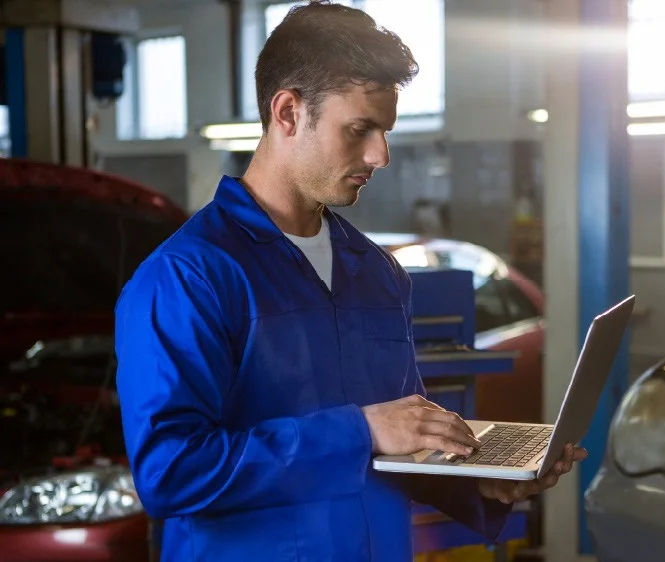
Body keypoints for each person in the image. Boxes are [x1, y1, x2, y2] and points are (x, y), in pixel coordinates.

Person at [113, 2, 585, 561]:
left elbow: (398, 451)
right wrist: (359, 432)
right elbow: (170, 471)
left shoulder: (377, 273)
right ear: (288, 112)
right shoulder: (189, 277)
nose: (380, 155)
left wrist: (481, 481)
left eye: (384, 131)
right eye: (360, 129)